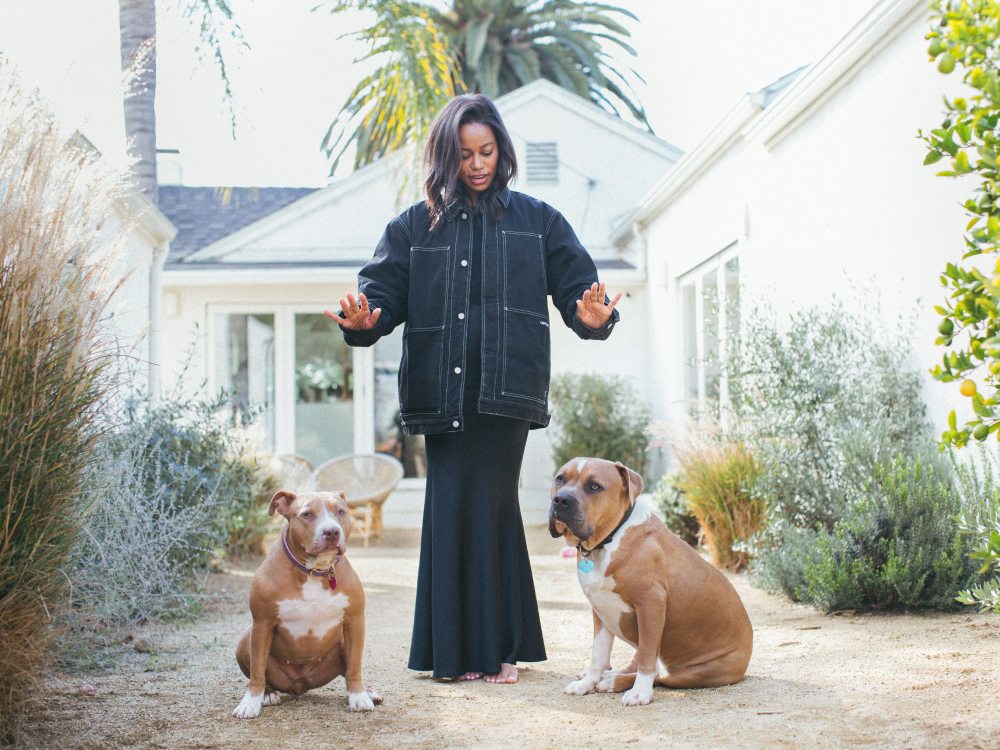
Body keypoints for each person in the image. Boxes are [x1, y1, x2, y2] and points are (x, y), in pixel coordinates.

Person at [326, 93, 620, 684]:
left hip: (506, 392)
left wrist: (592, 317)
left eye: (487, 151)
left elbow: (578, 291)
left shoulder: (538, 221)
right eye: (465, 155)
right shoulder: (414, 227)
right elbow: (380, 295)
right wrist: (366, 321)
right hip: (441, 393)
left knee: (490, 506)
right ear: (446, 157)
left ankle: (494, 652)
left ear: (502, 152)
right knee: (448, 509)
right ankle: (454, 653)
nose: (478, 164)